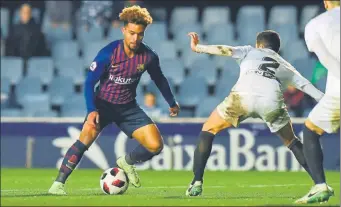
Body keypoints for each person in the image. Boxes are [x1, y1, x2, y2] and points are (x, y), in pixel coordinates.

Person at [48, 5, 180, 195]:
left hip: (128, 108)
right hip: (103, 105)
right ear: (124, 30)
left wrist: (171, 102)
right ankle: (58, 184)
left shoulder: (149, 56)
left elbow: (159, 79)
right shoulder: (108, 53)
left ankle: (126, 162)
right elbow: (89, 82)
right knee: (85, 137)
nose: (135, 38)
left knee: (156, 145)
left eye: (140, 34)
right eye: (132, 33)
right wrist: (92, 109)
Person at [184, 31, 333, 197]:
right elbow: (305, 85)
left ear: (259, 45)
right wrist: (329, 102)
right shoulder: (284, 64)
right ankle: (320, 184)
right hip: (270, 100)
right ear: (277, 49)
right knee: (292, 142)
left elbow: (225, 50)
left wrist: (198, 47)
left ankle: (197, 181)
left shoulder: (249, 51)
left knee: (208, 130)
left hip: (242, 97)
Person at [295, 0, 340, 204]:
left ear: (325, 2)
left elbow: (324, 58)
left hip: (338, 91)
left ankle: (320, 186)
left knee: (311, 130)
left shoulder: (315, 24)